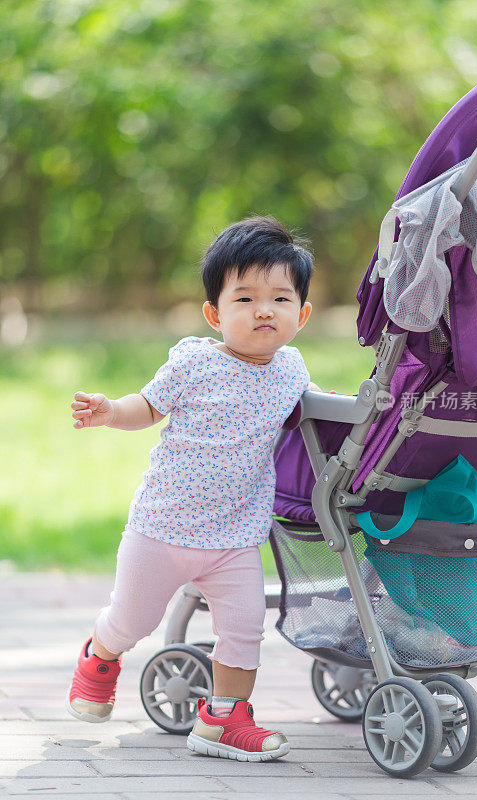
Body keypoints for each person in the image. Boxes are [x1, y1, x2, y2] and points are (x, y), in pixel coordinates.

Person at [67, 216, 319, 762]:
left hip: (235, 537)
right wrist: (111, 411)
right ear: (215, 313)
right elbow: (146, 406)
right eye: (245, 297)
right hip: (163, 529)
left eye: (280, 298)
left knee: (245, 628)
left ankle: (223, 719)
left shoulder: (293, 369)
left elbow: (316, 413)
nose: (263, 310)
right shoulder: (194, 361)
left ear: (301, 314)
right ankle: (99, 654)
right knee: (131, 620)